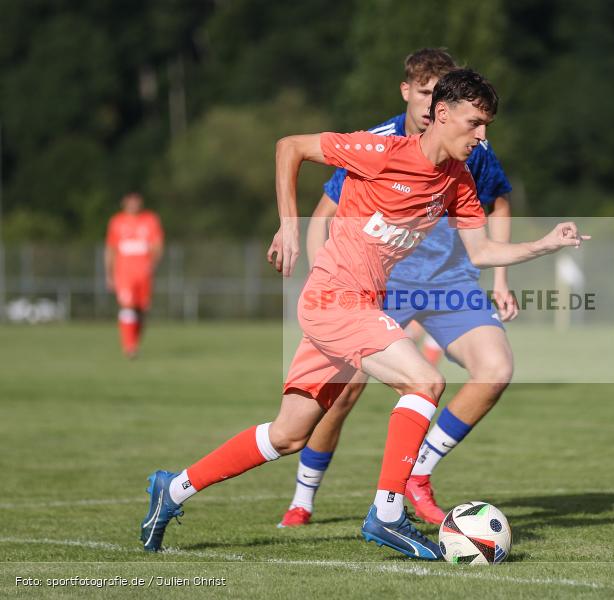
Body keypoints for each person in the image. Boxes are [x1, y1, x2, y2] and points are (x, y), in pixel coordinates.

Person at [140, 68, 587, 560]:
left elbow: (479, 251)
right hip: (335, 298)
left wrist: (544, 245)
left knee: (288, 433)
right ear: (441, 114)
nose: (483, 136)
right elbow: (290, 146)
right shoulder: (382, 152)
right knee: (424, 381)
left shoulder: (457, 180)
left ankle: (172, 489)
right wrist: (290, 226)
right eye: (476, 123)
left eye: (487, 126)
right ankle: (389, 513)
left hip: (358, 304)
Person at [279, 48, 517, 529]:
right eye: (426, 93)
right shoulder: (377, 143)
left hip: (449, 280)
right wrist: (324, 280)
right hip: (380, 282)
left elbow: (498, 204)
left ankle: (417, 475)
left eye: (441, 94)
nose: (433, 105)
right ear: (408, 91)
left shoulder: (475, 147)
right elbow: (325, 211)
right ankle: (303, 498)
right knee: (340, 396)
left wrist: (501, 278)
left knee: (495, 369)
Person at [105, 192, 164, 359]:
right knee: (127, 307)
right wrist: (109, 274)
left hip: (144, 274)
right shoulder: (116, 222)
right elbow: (110, 249)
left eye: (136, 202)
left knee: (142, 311)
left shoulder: (150, 220)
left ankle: (134, 342)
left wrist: (152, 264)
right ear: (124, 203)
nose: (134, 205)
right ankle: (129, 346)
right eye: (130, 202)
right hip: (124, 272)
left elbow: (157, 246)